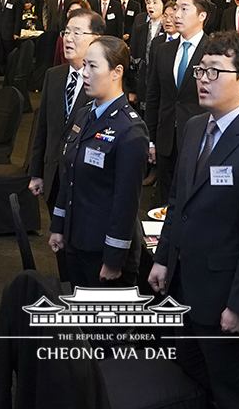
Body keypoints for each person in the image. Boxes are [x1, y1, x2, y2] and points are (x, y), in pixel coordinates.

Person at [147, 31, 239, 409]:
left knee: (235, 395)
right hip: (185, 287)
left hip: (226, 299)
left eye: (214, 72)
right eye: (200, 71)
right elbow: (178, 202)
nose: (203, 80)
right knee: (195, 381)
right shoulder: (195, 127)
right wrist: (162, 257)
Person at [49, 36, 148, 289]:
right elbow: (69, 174)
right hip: (75, 238)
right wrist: (59, 226)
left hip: (104, 250)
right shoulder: (84, 114)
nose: (84, 73)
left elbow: (126, 202)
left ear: (117, 72)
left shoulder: (130, 129)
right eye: (84, 66)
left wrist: (114, 259)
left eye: (93, 67)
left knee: (105, 327)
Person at [28, 10, 101, 211]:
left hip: (85, 182)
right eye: (66, 32)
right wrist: (36, 172)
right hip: (54, 176)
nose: (68, 38)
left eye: (77, 33)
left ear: (96, 39)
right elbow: (42, 128)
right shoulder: (54, 75)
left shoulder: (102, 81)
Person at [145, 0, 212, 206]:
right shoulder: (163, 50)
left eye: (184, 9)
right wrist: (151, 139)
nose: (176, 14)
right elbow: (154, 96)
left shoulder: (214, 51)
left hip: (199, 138)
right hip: (166, 139)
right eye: (175, 9)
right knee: (165, 200)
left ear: (202, 16)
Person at [128, 0, 166, 107]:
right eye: (148, 2)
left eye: (155, 3)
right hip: (142, 84)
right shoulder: (140, 29)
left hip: (162, 87)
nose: (151, 6)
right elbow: (133, 58)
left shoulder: (169, 30)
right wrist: (132, 89)